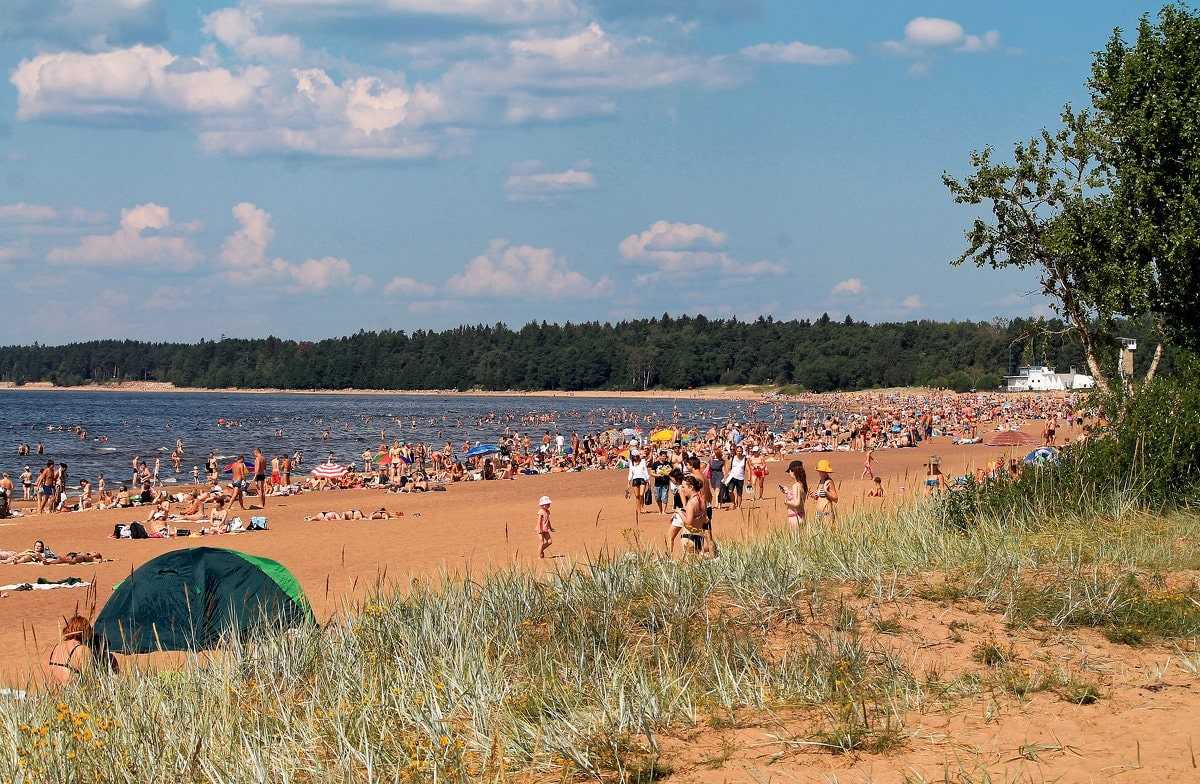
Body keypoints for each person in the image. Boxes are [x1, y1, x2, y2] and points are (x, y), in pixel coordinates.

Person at [47, 616, 117, 685]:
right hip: (71, 691)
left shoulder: (57, 647)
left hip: (53, 691)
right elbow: (91, 680)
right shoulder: (82, 649)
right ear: (86, 631)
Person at [809, 459, 838, 525]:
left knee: (827, 531)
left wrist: (826, 492)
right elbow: (821, 497)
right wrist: (814, 495)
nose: (820, 472)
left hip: (826, 511)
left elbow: (836, 498)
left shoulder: (829, 482)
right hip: (819, 511)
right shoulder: (821, 481)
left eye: (821, 471)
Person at [782, 460, 808, 531]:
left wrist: (786, 502)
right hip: (801, 516)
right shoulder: (802, 484)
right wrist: (788, 492)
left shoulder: (796, 485)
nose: (789, 473)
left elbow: (796, 503)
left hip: (795, 518)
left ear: (792, 471)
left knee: (796, 540)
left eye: (789, 471)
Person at [726, 445, 747, 509]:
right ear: (736, 451)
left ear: (742, 451)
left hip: (740, 477)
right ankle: (733, 503)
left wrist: (749, 479)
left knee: (739, 493)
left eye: (740, 451)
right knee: (730, 491)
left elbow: (748, 469)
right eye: (738, 451)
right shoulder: (732, 458)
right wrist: (726, 476)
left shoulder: (745, 459)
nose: (739, 452)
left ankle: (739, 506)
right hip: (732, 477)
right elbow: (728, 468)